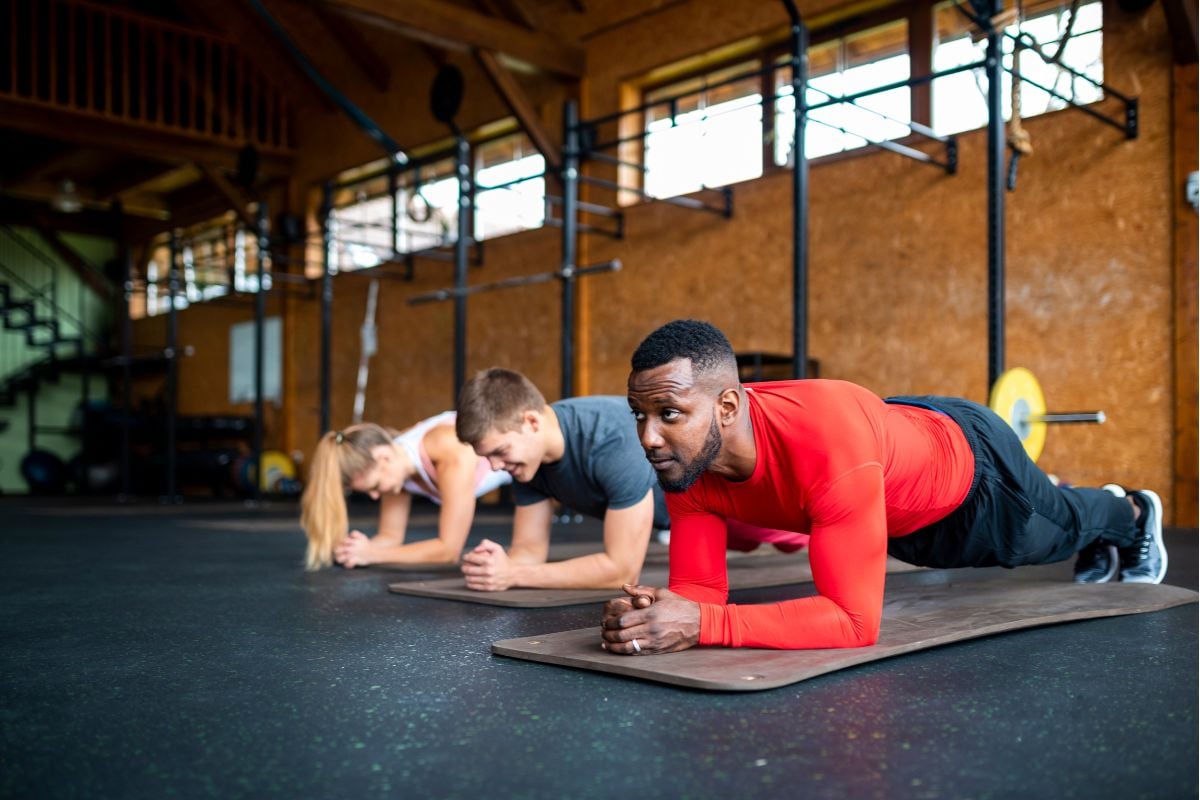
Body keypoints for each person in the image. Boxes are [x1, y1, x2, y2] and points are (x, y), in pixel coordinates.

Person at [600, 319, 1166, 654]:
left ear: (727, 407)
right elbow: (701, 592)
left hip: (973, 475)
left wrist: (703, 624)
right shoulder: (687, 459)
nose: (648, 437)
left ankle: (1132, 514)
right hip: (897, 489)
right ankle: (1105, 523)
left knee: (1051, 534)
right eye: (638, 415)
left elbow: (854, 623)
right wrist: (655, 616)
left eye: (668, 414)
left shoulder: (822, 443)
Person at [454, 368, 808, 592]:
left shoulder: (609, 438)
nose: (495, 466)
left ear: (531, 422)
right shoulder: (526, 463)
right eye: (487, 457)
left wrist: (515, 575)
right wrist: (497, 566)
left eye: (499, 452)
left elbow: (621, 572)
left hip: (731, 500)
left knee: (801, 533)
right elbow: (529, 553)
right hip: (686, 520)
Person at [299, 415, 510, 570]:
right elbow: (390, 536)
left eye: (375, 486)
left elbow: (449, 550)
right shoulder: (395, 465)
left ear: (384, 458)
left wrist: (373, 554)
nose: (375, 496)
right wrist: (356, 549)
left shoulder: (447, 448)